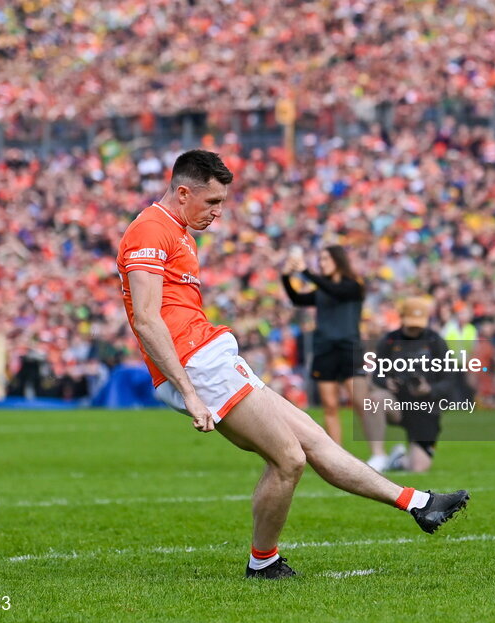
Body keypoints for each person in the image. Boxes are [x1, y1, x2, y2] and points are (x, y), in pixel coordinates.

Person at [116, 150, 469, 579]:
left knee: (315, 440)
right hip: (196, 365)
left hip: (212, 355)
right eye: (212, 203)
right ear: (183, 191)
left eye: (222, 202)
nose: (219, 212)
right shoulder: (150, 229)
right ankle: (263, 562)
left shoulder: (181, 231)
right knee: (289, 459)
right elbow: (148, 320)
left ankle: (419, 504)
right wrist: (189, 393)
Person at [281, 245, 364, 445]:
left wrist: (305, 272)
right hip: (325, 348)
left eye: (326, 259)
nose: (322, 263)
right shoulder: (322, 289)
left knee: (360, 402)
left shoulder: (353, 285)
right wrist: (286, 276)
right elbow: (297, 299)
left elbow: (336, 291)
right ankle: (338, 455)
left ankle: (379, 453)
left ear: (338, 260)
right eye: (320, 259)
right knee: (330, 405)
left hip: (348, 347)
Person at [359, 298, 453, 473]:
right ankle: (378, 454)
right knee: (374, 398)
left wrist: (429, 389)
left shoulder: (436, 342)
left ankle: (397, 461)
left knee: (418, 468)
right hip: (397, 403)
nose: (415, 329)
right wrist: (386, 382)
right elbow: (377, 374)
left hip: (426, 408)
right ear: (402, 318)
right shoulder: (388, 341)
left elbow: (449, 381)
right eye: (411, 325)